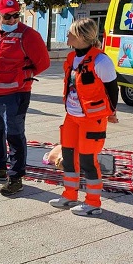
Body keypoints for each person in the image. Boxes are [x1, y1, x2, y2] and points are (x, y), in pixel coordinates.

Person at [0, 0, 50, 195]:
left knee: (14, 136)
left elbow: (43, 63)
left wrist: (24, 75)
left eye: (16, 16)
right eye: (7, 16)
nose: (12, 20)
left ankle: (16, 177)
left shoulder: (29, 35)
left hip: (15, 94)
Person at [49, 19, 119, 216]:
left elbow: (112, 90)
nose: (67, 36)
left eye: (71, 33)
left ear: (81, 37)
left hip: (92, 120)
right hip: (72, 116)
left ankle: (93, 203)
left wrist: (111, 113)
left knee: (88, 161)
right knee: (69, 158)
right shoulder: (72, 58)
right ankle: (70, 196)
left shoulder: (101, 61)